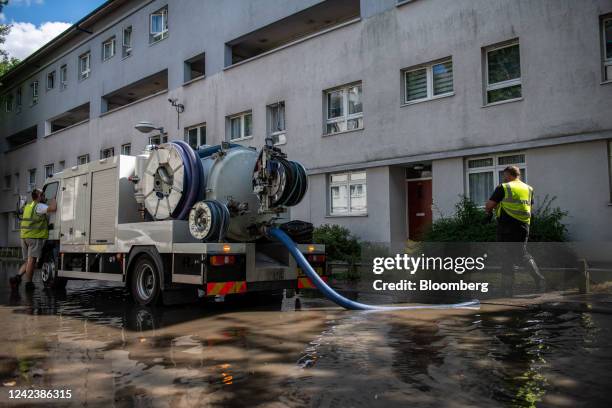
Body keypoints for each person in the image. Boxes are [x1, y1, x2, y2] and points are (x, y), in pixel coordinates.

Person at [485, 165, 544, 294]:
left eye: (504, 175)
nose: (503, 178)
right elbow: (528, 207)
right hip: (523, 226)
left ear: (508, 174)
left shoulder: (504, 187)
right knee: (521, 253)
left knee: (506, 256)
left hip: (506, 226)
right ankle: (537, 281)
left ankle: (507, 288)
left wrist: (488, 213)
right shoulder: (528, 189)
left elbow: (489, 205)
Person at [10, 188, 57, 291]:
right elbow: (53, 208)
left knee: (28, 261)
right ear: (39, 196)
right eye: (43, 195)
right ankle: (29, 283)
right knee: (32, 260)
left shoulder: (28, 206)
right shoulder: (39, 206)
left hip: (24, 236)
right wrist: (54, 199)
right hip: (34, 237)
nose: (45, 197)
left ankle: (16, 278)